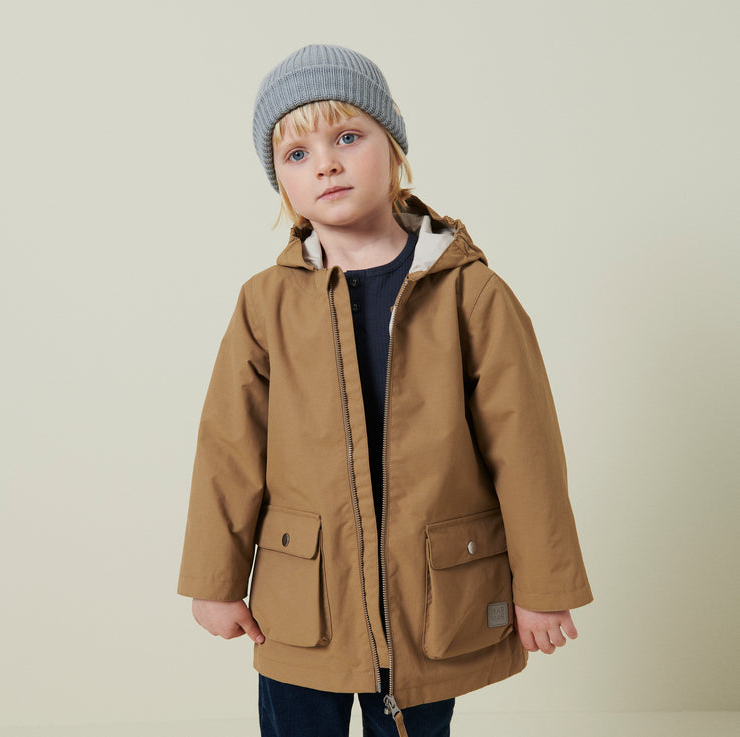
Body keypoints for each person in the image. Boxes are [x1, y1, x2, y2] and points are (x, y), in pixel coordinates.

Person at [177, 44, 593, 737]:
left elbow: (525, 450)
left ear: (394, 148)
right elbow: (229, 448)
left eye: (347, 137)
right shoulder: (265, 304)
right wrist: (214, 580)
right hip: (302, 598)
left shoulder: (471, 295)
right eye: (297, 153)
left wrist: (544, 587)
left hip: (429, 600)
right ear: (280, 183)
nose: (326, 164)